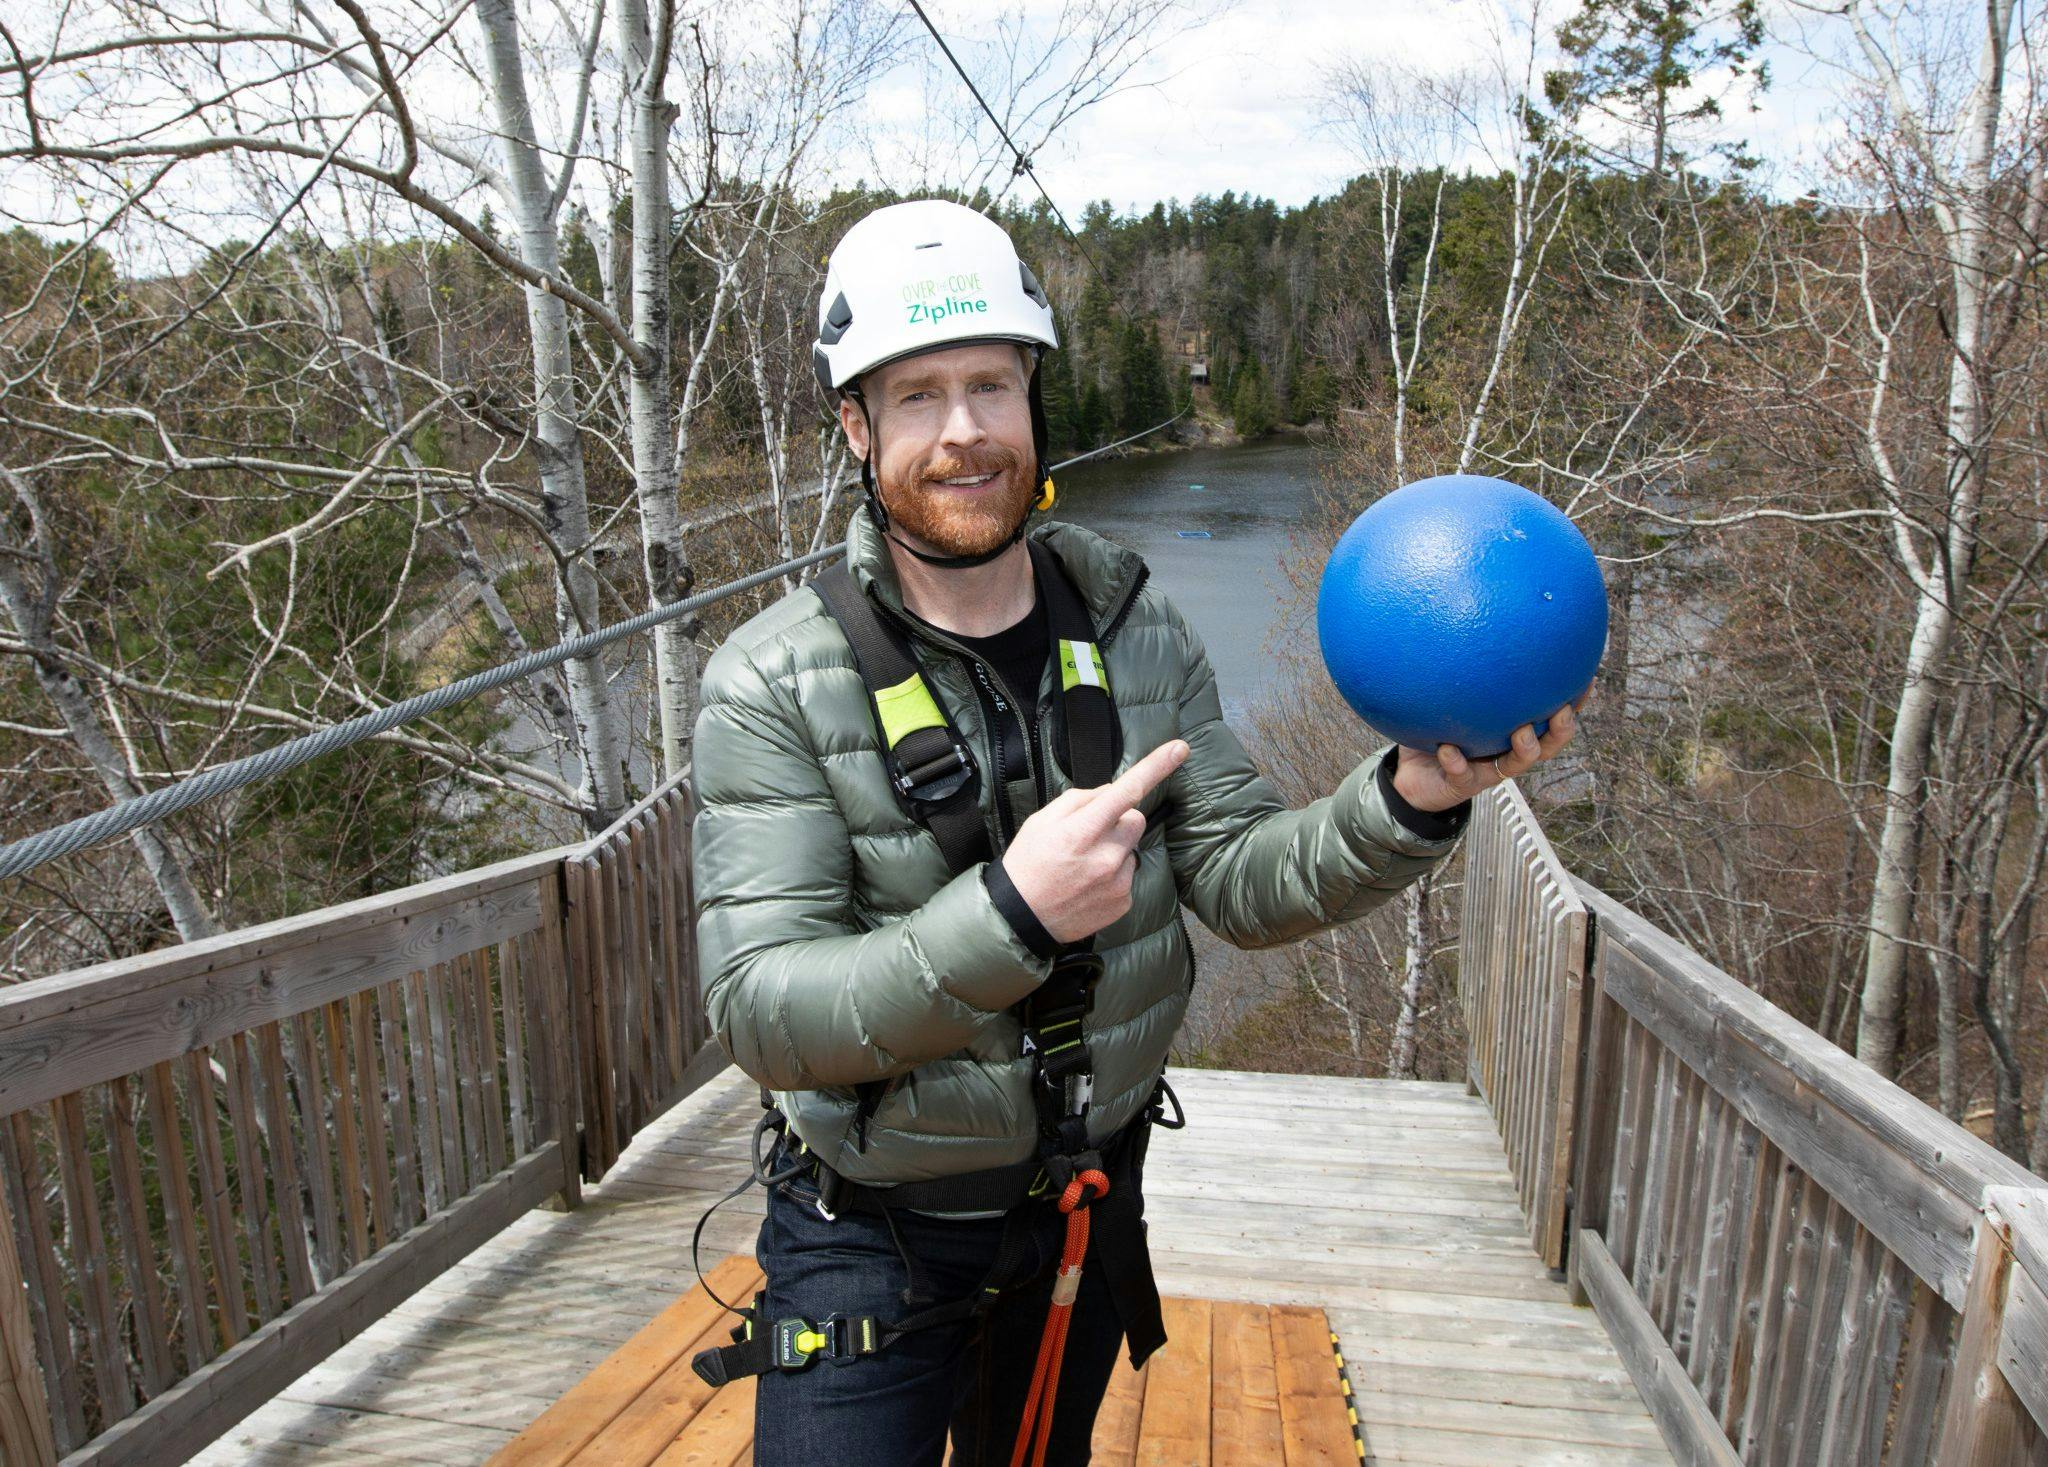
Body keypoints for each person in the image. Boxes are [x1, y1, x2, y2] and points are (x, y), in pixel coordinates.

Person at [688, 198, 1582, 1466]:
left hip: (1077, 1209)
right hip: (864, 1237)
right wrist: (1010, 917)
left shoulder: (1128, 626)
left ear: (1032, 399)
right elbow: (763, 1012)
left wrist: (1406, 801)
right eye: (917, 396)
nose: (962, 432)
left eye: (990, 385)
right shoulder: (773, 681)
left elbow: (1240, 878)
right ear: (855, 425)